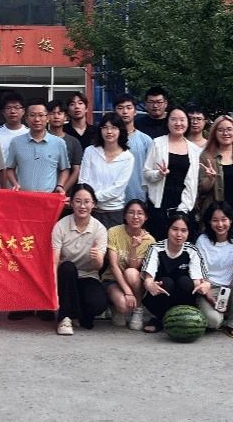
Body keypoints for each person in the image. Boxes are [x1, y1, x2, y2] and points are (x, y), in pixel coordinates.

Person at [50, 184, 109, 336]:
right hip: (65, 276)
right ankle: (64, 318)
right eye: (78, 201)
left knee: (98, 304)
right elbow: (54, 262)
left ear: (93, 204)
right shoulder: (61, 226)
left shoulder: (100, 229)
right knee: (67, 267)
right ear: (71, 203)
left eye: (87, 202)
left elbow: (98, 266)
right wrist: (53, 289)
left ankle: (76, 312)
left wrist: (97, 257)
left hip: (88, 275)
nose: (82, 206)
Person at [139, 210, 208, 333]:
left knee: (185, 282)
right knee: (166, 282)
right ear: (168, 229)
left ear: (188, 232)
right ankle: (159, 318)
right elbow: (148, 276)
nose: (179, 234)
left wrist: (203, 285)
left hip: (183, 296)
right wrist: (149, 284)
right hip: (160, 295)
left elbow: (197, 280)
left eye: (183, 230)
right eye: (174, 229)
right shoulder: (156, 248)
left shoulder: (192, 250)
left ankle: (185, 317)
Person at [194, 200, 233, 338]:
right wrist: (208, 295)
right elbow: (198, 271)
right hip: (209, 288)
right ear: (209, 222)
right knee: (214, 322)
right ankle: (220, 314)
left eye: (224, 219)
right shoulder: (202, 240)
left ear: (230, 220)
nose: (220, 224)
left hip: (231, 288)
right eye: (215, 220)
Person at [142, 106, 201, 237]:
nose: (178, 123)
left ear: (187, 122)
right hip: (159, 202)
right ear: (167, 122)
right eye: (174, 119)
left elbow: (193, 183)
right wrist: (159, 174)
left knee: (182, 240)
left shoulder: (195, 150)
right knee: (159, 240)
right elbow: (146, 173)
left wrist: (184, 208)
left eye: (182, 120)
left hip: (183, 202)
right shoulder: (157, 143)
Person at [103, 199, 156, 330]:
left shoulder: (149, 240)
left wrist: (133, 247)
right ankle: (115, 306)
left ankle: (138, 309)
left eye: (140, 213)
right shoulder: (114, 232)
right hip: (113, 279)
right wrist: (127, 292)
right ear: (125, 215)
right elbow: (113, 265)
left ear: (146, 217)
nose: (135, 217)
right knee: (123, 306)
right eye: (131, 212)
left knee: (131, 272)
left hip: (134, 281)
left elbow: (134, 267)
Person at [2, 99, 70, 195]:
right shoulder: (16, 142)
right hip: (23, 196)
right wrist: (15, 184)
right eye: (32, 115)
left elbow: (64, 169)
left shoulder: (59, 143)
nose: (37, 119)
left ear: (47, 118)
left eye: (41, 115)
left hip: (48, 197)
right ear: (26, 119)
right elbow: (9, 168)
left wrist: (60, 185)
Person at [77, 114, 134, 228]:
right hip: (89, 210)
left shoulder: (127, 157)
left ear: (120, 131)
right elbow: (83, 180)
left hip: (114, 212)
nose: (109, 131)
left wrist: (92, 198)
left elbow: (117, 188)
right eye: (105, 128)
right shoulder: (90, 151)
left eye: (114, 128)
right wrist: (88, 201)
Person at [113, 94, 152, 204]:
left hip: (138, 196)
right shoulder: (108, 139)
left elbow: (150, 171)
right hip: (112, 199)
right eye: (120, 108)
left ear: (135, 111)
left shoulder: (145, 140)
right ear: (114, 111)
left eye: (129, 108)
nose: (125, 112)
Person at [47, 99, 83, 189]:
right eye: (52, 113)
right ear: (46, 117)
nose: (56, 116)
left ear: (66, 117)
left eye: (59, 113)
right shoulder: (40, 139)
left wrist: (63, 189)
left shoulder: (73, 142)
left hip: (64, 191)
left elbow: (76, 170)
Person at [0, 91, 27, 166]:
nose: (13, 111)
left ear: (23, 111)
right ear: (3, 112)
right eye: (8, 108)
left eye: (16, 107)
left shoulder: (30, 133)